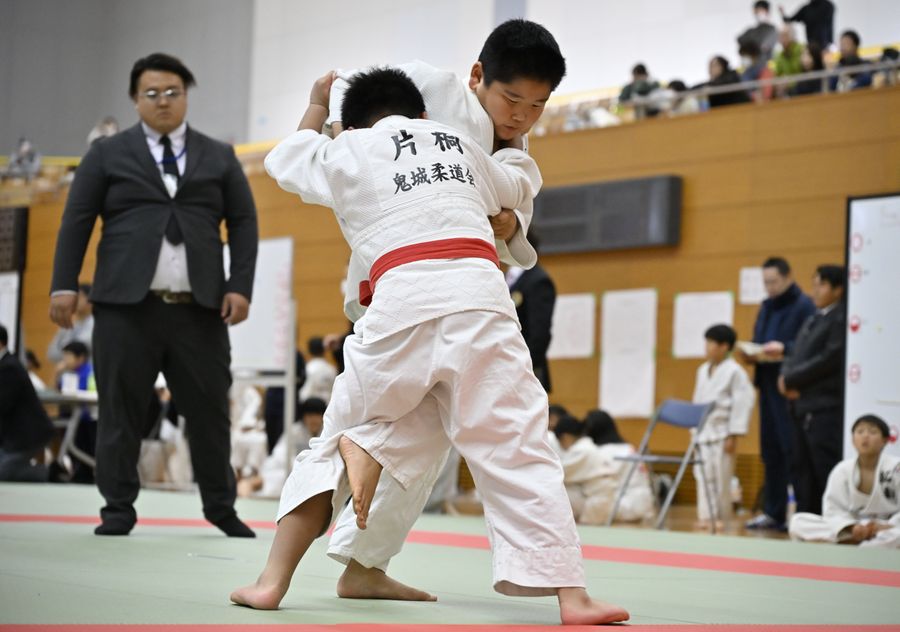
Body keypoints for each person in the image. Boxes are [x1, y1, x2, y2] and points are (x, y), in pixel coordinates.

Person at [231, 67, 629, 625]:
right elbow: (517, 184)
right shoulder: (460, 144)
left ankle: (271, 582)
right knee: (518, 445)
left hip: (397, 310)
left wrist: (318, 105)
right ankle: (573, 598)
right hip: (480, 302)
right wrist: (514, 151)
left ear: (354, 124)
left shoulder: (348, 150)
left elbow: (287, 159)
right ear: (422, 115)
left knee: (332, 441)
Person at [320, 19, 572, 602]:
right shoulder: (428, 85)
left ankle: (362, 566)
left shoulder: (516, 149)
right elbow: (346, 88)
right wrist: (343, 137)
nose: (521, 116)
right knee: (373, 431)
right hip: (398, 293)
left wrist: (509, 223)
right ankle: (313, 557)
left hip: (457, 301)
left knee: (424, 440)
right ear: (478, 75)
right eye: (512, 99)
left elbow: (515, 225)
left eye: (537, 106)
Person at [49, 52, 259, 537]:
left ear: (186, 96)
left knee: (209, 414)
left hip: (200, 310)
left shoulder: (218, 155)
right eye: (152, 94)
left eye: (173, 92)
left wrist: (240, 287)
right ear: (134, 100)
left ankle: (221, 509)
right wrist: (63, 283)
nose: (163, 101)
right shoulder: (106, 154)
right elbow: (76, 220)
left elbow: (245, 223)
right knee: (120, 411)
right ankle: (117, 510)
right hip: (125, 308)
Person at [740, 256, 816, 531]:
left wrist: (784, 347)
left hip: (791, 387)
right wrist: (754, 353)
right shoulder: (766, 306)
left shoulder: (804, 305)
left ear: (787, 277)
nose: (769, 287)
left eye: (773, 282)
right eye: (765, 282)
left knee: (792, 450)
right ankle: (774, 512)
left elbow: (808, 344)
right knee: (770, 450)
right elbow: (760, 338)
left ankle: (802, 514)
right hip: (767, 383)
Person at [779, 264, 846, 515]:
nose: (815, 290)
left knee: (823, 468)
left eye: (821, 285)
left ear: (838, 289)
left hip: (823, 407)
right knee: (800, 468)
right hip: (800, 406)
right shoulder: (813, 318)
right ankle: (806, 520)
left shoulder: (841, 319)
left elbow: (828, 359)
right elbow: (794, 353)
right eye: (814, 284)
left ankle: (829, 521)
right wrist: (785, 376)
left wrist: (794, 379)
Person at [789, 415, 899, 547]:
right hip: (853, 526)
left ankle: (855, 545)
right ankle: (858, 541)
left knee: (896, 534)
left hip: (886, 528)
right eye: (860, 431)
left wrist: (884, 526)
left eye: (872, 432)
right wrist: (851, 527)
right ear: (853, 439)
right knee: (798, 521)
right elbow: (833, 509)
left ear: (885, 440)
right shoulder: (842, 469)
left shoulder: (896, 468)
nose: (865, 436)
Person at [691, 325, 756, 526]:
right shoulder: (702, 370)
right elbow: (697, 400)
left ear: (724, 346)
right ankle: (705, 517)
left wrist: (733, 434)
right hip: (702, 432)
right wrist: (694, 432)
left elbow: (743, 403)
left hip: (722, 433)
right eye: (707, 342)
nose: (707, 347)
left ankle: (721, 518)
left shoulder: (735, 372)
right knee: (703, 477)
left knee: (722, 479)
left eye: (711, 343)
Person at [573, 410, 655, 524]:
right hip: (644, 504)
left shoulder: (602, 452)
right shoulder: (628, 447)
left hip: (624, 505)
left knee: (576, 494)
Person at [0, 324, 54, 482]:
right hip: (12, 436)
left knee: (4, 474)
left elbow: (2, 405)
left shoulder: (9, 367)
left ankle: (49, 474)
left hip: (27, 436)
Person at [507, 231, 556, 392]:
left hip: (525, 372)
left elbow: (539, 336)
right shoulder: (504, 277)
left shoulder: (538, 281)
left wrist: (519, 368)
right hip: (505, 369)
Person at [47, 283, 93, 363]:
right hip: (68, 373)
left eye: (80, 297)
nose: (75, 301)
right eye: (75, 297)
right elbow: (51, 353)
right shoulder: (68, 325)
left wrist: (66, 352)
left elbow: (82, 347)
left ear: (90, 301)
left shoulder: (96, 325)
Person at [299, 336, 337, 404]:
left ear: (309, 350)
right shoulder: (332, 369)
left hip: (311, 406)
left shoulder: (308, 368)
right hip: (329, 405)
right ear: (324, 350)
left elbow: (305, 393)